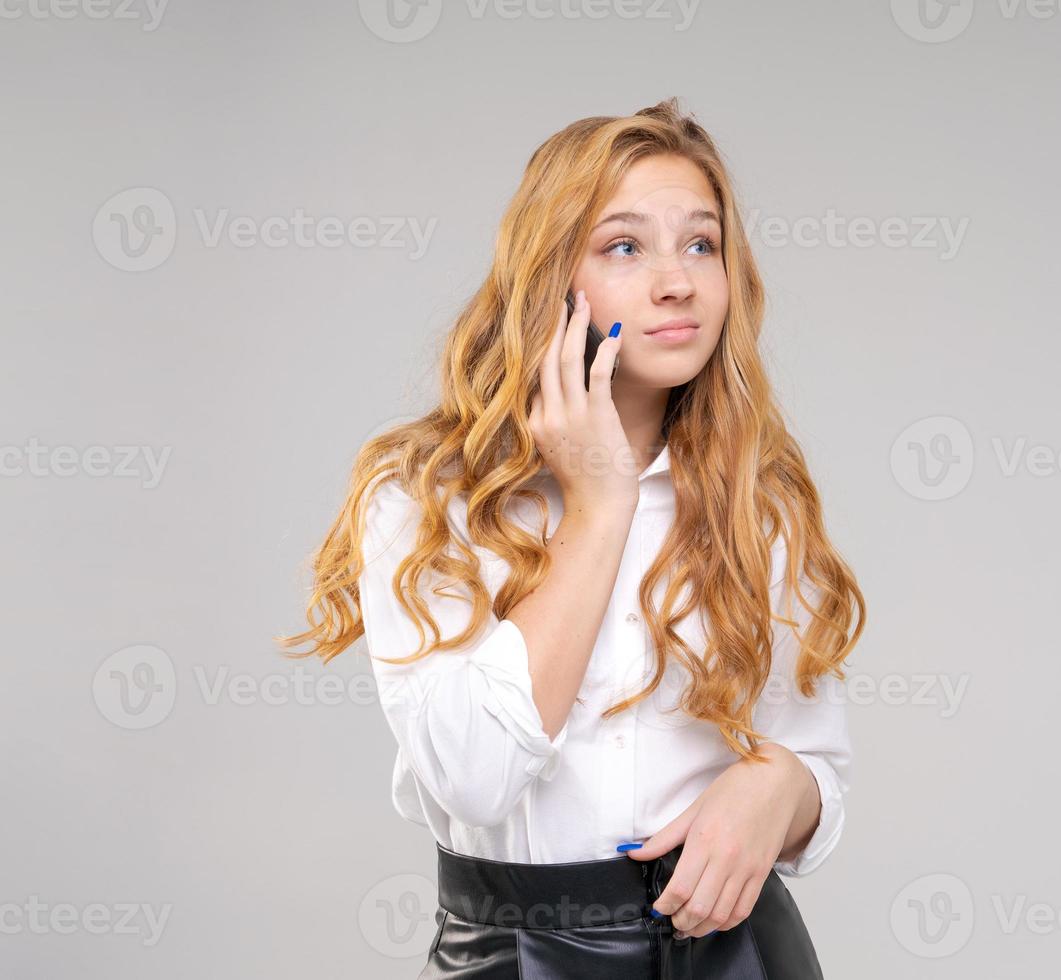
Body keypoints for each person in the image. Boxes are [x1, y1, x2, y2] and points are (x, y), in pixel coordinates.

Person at [280, 97, 866, 978]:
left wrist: (782, 788)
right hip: (518, 953)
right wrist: (600, 508)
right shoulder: (423, 497)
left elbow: (817, 761)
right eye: (625, 246)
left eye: (701, 243)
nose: (678, 281)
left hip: (739, 955)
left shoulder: (757, 496)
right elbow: (475, 777)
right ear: (550, 277)